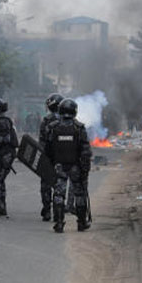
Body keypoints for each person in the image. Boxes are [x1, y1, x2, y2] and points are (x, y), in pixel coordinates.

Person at [45, 98, 91, 233]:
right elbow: (85, 151)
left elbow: (47, 149)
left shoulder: (53, 127)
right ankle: (81, 223)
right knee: (80, 194)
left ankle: (59, 223)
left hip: (59, 166)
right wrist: (85, 169)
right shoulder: (79, 128)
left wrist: (50, 164)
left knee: (58, 194)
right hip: (75, 166)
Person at [38, 92, 63, 221]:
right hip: (62, 158)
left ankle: (47, 210)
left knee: (46, 185)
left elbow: (41, 141)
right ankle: (58, 212)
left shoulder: (46, 121)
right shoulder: (68, 121)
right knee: (59, 185)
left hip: (48, 157)